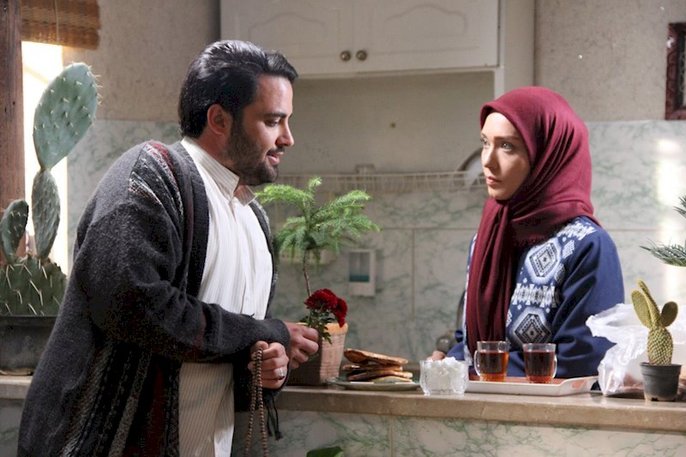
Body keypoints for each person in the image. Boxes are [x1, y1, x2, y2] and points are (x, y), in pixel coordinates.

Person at [18, 40, 320, 456]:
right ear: (219, 119)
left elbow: (217, 351)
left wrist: (265, 370)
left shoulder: (255, 220)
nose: (288, 138)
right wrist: (265, 331)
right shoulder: (150, 175)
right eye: (272, 121)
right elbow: (133, 307)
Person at [431, 86, 624, 378]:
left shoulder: (586, 245)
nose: (487, 161)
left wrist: (469, 371)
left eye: (507, 146)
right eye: (485, 143)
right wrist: (449, 361)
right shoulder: (488, 236)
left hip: (551, 408)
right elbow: (473, 342)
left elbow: (583, 359)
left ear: (548, 156)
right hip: (482, 404)